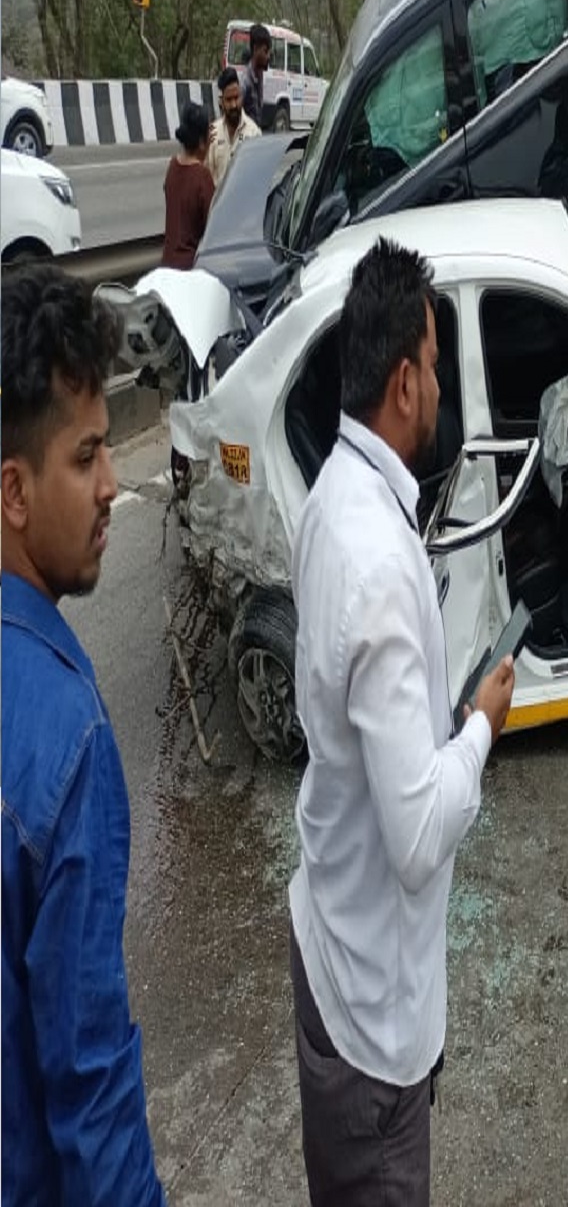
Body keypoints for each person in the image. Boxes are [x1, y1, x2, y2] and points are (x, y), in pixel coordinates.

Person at [288, 237, 514, 1205]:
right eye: (431, 358)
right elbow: (418, 837)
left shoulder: (334, 497)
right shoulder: (377, 562)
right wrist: (478, 728)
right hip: (370, 1017)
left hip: (338, 941)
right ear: (404, 383)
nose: (436, 380)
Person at [1, 268, 167, 1206]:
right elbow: (91, 1084)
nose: (112, 485)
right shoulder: (66, 738)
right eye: (86, 457)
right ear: (14, 492)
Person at [161, 101, 214, 271]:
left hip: (167, 265)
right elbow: (212, 227)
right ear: (201, 141)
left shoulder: (172, 166)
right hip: (189, 270)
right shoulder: (202, 176)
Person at [207, 65, 261, 189]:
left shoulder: (254, 133)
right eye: (229, 99)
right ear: (221, 102)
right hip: (218, 206)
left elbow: (258, 179)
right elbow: (207, 176)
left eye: (236, 98)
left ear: (241, 96)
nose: (233, 105)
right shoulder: (213, 133)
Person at [239, 22, 272, 129]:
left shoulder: (260, 76)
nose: (268, 57)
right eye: (265, 51)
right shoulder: (245, 82)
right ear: (255, 48)